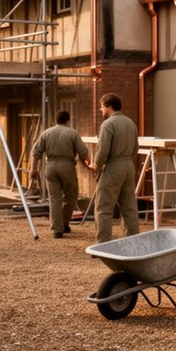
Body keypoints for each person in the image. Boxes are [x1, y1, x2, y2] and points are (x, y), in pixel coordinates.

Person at [31, 110, 89, 238]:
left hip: (51, 166)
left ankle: (57, 229)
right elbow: (83, 152)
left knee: (54, 199)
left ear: (56, 120)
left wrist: (33, 170)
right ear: (68, 120)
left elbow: (35, 153)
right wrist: (88, 164)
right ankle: (64, 223)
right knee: (70, 197)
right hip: (67, 166)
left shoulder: (46, 133)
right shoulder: (72, 133)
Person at [92, 93, 140, 243]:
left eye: (101, 107)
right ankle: (132, 243)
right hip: (128, 166)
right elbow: (135, 148)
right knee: (129, 208)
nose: (100, 110)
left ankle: (103, 245)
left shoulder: (108, 124)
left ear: (109, 106)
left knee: (103, 208)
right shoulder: (130, 123)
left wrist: (96, 165)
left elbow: (103, 150)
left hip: (113, 167)